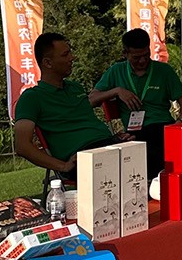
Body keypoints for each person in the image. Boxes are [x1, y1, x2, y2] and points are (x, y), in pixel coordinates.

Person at [13, 32, 138, 183]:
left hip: (106, 146)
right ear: (48, 63)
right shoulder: (31, 98)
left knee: (147, 152)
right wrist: (63, 166)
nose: (72, 58)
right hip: (81, 157)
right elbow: (22, 146)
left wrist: (115, 138)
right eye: (65, 54)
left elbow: (88, 124)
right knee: (132, 171)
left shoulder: (75, 88)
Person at [95, 29, 182, 179]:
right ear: (125, 54)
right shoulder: (116, 71)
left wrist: (181, 121)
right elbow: (91, 99)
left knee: (179, 148)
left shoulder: (164, 70)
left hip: (163, 126)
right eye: (136, 57)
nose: (142, 61)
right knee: (146, 151)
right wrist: (117, 91)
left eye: (146, 55)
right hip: (134, 131)